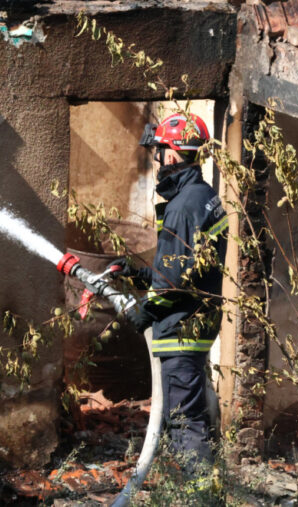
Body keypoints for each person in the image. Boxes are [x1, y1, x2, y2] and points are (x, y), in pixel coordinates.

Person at [111, 113, 228, 476]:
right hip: (195, 321)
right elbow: (185, 269)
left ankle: (200, 497)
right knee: (191, 415)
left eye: (160, 151)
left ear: (173, 155)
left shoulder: (183, 207)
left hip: (181, 329)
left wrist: (145, 310)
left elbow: (175, 282)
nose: (158, 159)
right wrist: (138, 272)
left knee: (183, 422)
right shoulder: (202, 197)